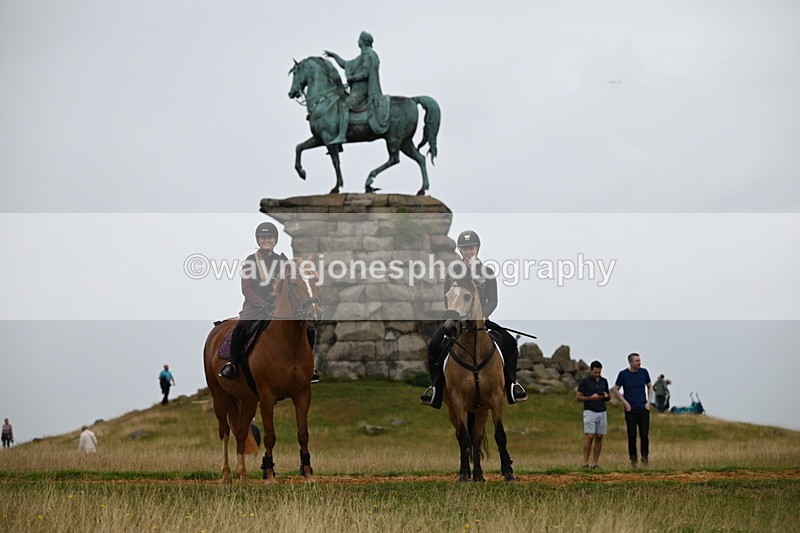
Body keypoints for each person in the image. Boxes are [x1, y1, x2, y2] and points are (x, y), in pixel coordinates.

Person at [420, 230, 527, 408]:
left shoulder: (487, 272)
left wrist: (483, 315)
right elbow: (447, 297)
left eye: (471, 248)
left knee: (509, 342)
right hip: (457, 321)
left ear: (477, 248)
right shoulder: (453, 272)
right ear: (460, 251)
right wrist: (454, 316)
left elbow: (493, 299)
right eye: (464, 248)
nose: (468, 251)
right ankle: (435, 389)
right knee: (434, 346)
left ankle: (512, 386)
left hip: (481, 321)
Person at [219, 222, 319, 382]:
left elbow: (294, 283)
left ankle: (309, 366)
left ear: (275, 240)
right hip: (255, 308)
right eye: (263, 237)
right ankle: (233, 364)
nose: (267, 240)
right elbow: (247, 289)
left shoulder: (283, 261)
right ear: (258, 240)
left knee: (308, 330)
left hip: (279, 308)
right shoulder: (250, 261)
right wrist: (263, 304)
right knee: (240, 328)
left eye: (270, 237)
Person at [323, 31, 389, 144]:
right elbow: (346, 64)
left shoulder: (368, 55)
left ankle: (342, 136)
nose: (357, 41)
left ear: (363, 42)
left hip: (362, 92)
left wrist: (352, 78)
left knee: (344, 106)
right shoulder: (362, 56)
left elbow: (365, 73)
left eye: (359, 39)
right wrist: (335, 56)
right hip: (356, 92)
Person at [612, 353, 653, 467]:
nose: (639, 363)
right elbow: (615, 389)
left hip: (643, 409)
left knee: (644, 435)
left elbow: (650, 386)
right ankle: (633, 461)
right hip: (631, 410)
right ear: (630, 362)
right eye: (636, 361)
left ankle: (645, 459)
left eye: (640, 360)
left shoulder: (644, 372)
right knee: (632, 436)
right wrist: (625, 402)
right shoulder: (623, 374)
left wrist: (648, 402)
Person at [576, 361, 610, 469]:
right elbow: (578, 397)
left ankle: (595, 463)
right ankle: (585, 463)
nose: (597, 374)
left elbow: (608, 397)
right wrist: (591, 398)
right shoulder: (585, 382)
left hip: (602, 411)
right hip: (589, 411)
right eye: (595, 372)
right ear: (591, 370)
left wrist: (605, 396)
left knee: (599, 437)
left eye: (599, 372)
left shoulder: (604, 381)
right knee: (590, 436)